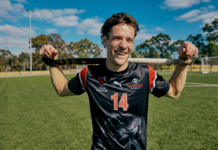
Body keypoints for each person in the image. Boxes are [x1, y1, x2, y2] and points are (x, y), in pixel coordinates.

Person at [40, 13, 198, 150]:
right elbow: (62, 89)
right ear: (105, 40)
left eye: (129, 40)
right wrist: (52, 61)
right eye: (117, 38)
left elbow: (175, 91)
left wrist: (183, 61)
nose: (123, 45)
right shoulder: (89, 74)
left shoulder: (145, 73)